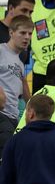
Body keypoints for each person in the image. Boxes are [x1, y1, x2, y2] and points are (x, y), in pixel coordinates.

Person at [0, 15, 32, 158]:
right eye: (22, 33)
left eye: (30, 34)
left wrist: (30, 105)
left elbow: (23, 87)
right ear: (11, 32)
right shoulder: (1, 50)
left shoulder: (20, 62)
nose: (27, 37)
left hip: (14, 117)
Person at [0, 0, 34, 64]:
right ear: (11, 8)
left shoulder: (26, 35)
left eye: (30, 12)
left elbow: (20, 67)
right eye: (24, 10)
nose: (28, 16)